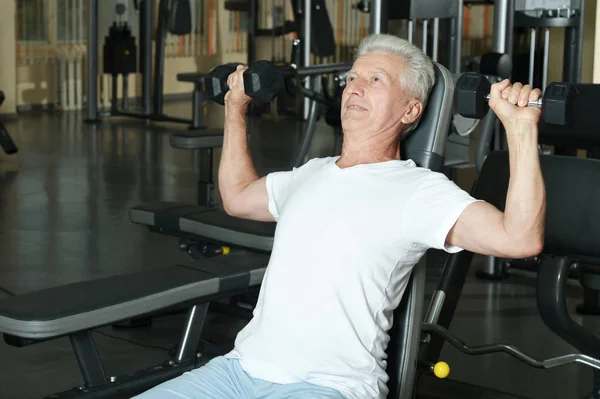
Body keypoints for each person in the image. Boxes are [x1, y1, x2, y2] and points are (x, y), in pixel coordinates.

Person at [134, 34, 545, 399]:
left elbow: (519, 239)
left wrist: (521, 129)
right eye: (351, 78)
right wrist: (234, 109)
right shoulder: (312, 172)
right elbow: (238, 198)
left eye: (375, 80)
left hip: (327, 385)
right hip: (237, 371)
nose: (354, 88)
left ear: (410, 110)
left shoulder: (418, 191)